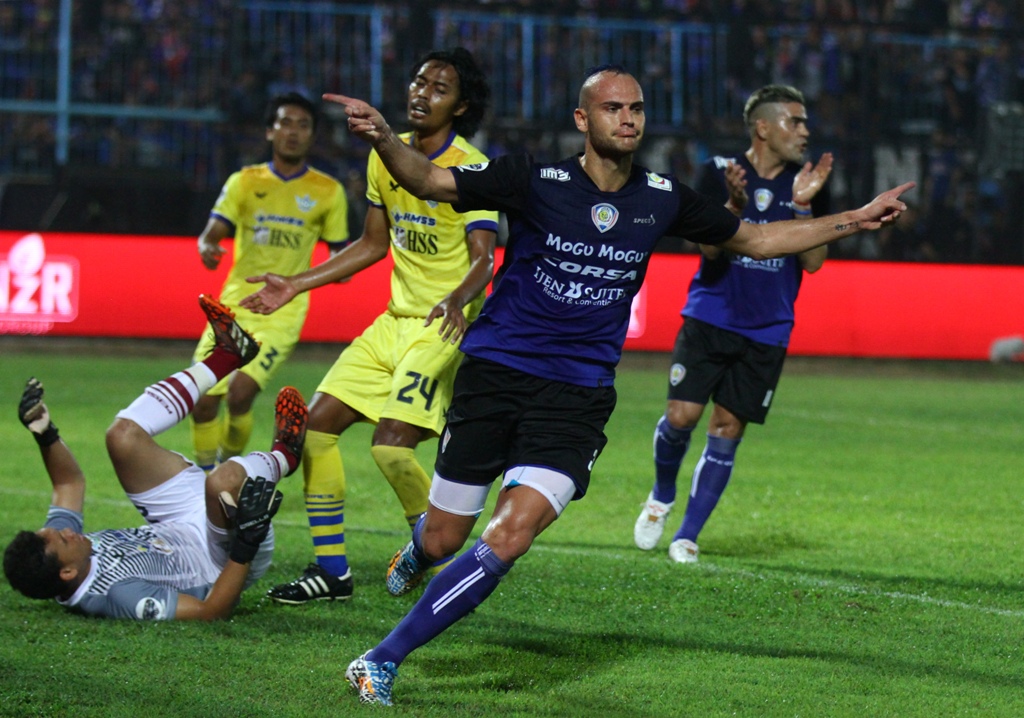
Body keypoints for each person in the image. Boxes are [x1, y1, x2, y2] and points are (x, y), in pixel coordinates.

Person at [323, 65, 911, 706]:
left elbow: (759, 239)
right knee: (443, 538)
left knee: (510, 535)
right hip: (496, 376)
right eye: (612, 108)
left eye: (636, 108)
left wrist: (856, 218)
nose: (628, 119)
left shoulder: (662, 197)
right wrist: (384, 135)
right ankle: (419, 549)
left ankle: (381, 658)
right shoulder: (532, 178)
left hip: (576, 395)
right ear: (583, 119)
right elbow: (431, 180)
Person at [239, 48, 498, 604]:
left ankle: (440, 560)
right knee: (314, 430)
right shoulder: (387, 154)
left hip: (442, 326)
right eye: (419, 81)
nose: (423, 93)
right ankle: (332, 573)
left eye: (440, 88)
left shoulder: (472, 167)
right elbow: (372, 244)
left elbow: (485, 258)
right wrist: (296, 284)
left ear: (461, 106)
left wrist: (457, 300)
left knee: (391, 446)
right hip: (392, 322)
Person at [2, 295, 308, 621]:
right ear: (67, 573)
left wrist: (45, 434)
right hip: (222, 558)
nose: (67, 531)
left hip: (176, 523)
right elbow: (211, 611)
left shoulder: (56, 554)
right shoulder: (117, 595)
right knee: (224, 481)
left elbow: (68, 483)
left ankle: (228, 355)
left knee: (122, 437)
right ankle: (286, 454)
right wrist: (245, 544)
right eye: (64, 539)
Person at [633, 84, 833, 564]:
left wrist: (804, 206)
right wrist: (734, 209)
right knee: (681, 416)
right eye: (794, 121)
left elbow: (813, 263)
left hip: (768, 328)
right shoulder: (719, 171)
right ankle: (662, 494)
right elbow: (708, 249)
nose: (804, 131)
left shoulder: (804, 182)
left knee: (727, 427)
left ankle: (687, 535)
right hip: (711, 315)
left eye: (805, 122)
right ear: (763, 127)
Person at [191, 92, 349, 474]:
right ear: (269, 131)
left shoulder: (328, 191)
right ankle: (204, 476)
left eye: (303, 125)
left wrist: (339, 268)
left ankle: (223, 472)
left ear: (312, 136)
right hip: (233, 305)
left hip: (283, 311)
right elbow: (212, 233)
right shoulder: (244, 181)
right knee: (203, 401)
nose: (293, 132)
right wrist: (207, 245)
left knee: (240, 392)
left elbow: (340, 252)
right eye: (285, 123)